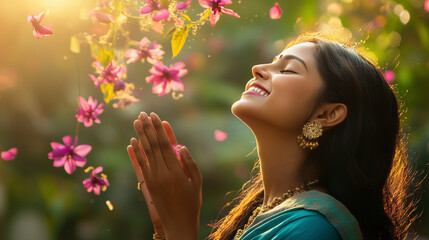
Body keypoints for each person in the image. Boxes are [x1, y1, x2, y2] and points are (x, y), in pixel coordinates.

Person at [126, 32, 417, 240]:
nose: (258, 69)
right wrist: (166, 227)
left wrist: (180, 227)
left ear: (327, 115)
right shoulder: (268, 213)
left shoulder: (315, 229)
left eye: (287, 69)